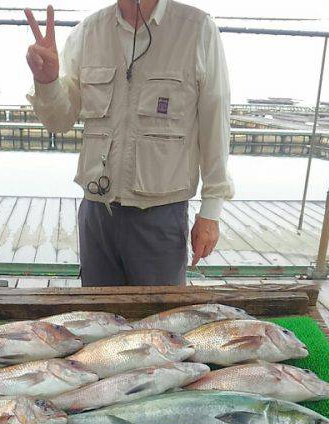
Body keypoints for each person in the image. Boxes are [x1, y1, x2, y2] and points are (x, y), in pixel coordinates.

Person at [25, 2, 234, 286]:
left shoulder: (197, 29)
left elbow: (215, 120)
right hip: (97, 214)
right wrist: (47, 81)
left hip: (161, 215)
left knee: (159, 322)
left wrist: (211, 211)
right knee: (97, 322)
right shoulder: (88, 32)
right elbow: (59, 121)